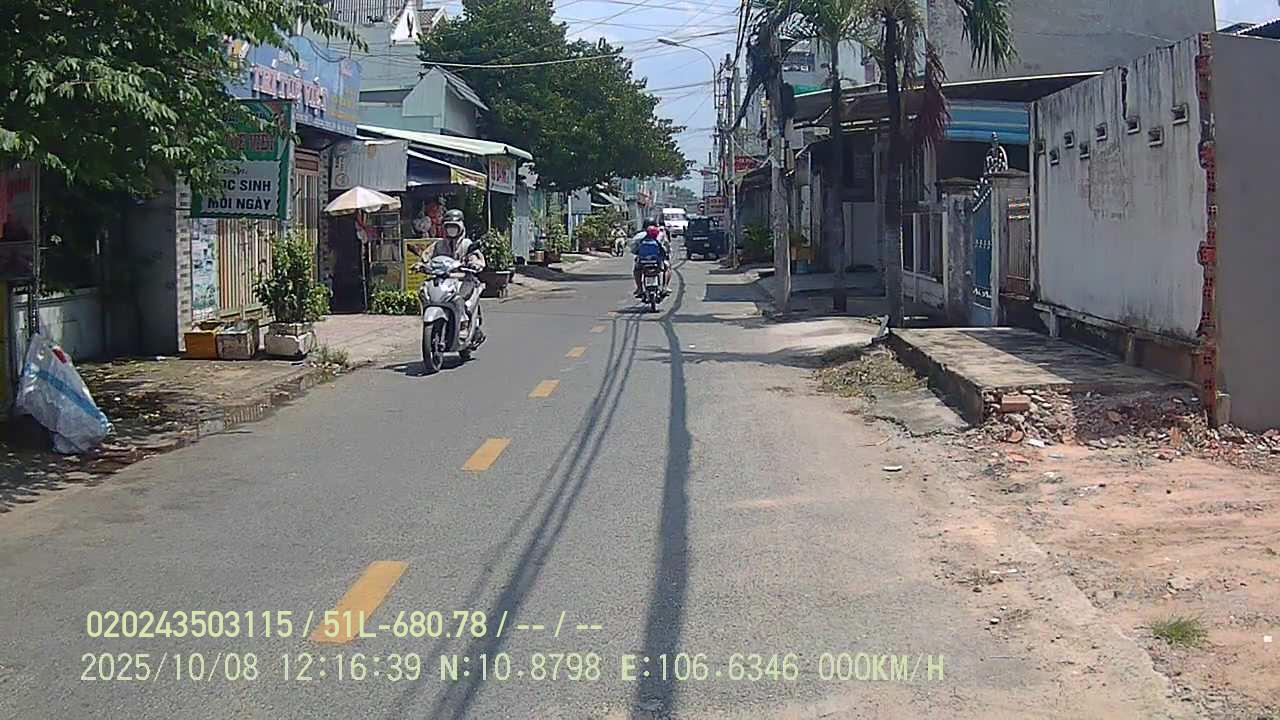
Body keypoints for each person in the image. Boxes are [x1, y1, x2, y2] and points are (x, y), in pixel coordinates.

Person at [431, 209, 486, 338]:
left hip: (464, 279)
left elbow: (476, 257)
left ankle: (463, 324)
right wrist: (420, 264)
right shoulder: (439, 244)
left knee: (459, 299)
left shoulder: (467, 244)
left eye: (454, 227)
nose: (451, 230)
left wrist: (474, 263)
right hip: (444, 280)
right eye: (449, 227)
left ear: (460, 227)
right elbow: (427, 255)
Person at [631, 217, 670, 297]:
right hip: (657, 260)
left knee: (636, 270)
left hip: (643, 261)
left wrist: (638, 253)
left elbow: (633, 248)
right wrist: (666, 253)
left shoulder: (639, 236)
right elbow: (666, 246)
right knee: (667, 268)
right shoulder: (660, 234)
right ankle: (665, 287)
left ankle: (639, 288)